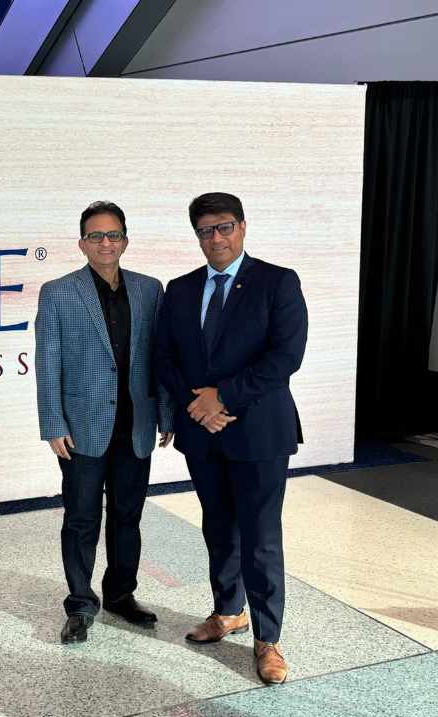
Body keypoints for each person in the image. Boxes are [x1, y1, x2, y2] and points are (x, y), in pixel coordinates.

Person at [154, 192, 308, 684]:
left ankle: (268, 639)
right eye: (205, 230)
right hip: (203, 433)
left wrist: (222, 398)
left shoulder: (277, 282)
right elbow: (164, 357)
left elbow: (285, 357)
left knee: (260, 538)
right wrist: (198, 405)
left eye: (224, 227)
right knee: (218, 526)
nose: (215, 238)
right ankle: (228, 611)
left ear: (242, 227)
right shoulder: (180, 289)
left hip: (260, 431)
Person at [35, 200, 174, 645]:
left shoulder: (150, 290)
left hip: (136, 425)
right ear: (82, 243)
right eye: (95, 236)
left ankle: (120, 594)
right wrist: (52, 422)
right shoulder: (58, 292)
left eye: (113, 235)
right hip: (81, 428)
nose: (105, 243)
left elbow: (160, 357)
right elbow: (47, 361)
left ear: (125, 241)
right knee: (81, 518)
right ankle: (80, 604)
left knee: (128, 515)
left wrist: (166, 412)